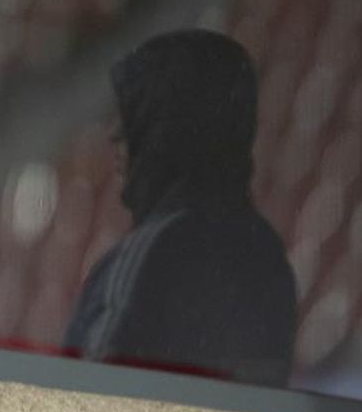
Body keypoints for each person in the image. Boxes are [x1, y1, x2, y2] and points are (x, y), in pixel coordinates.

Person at [64, 28, 297, 385]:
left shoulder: (152, 253)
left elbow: (83, 398)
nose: (115, 137)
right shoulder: (267, 255)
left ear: (167, 131)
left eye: (134, 117)